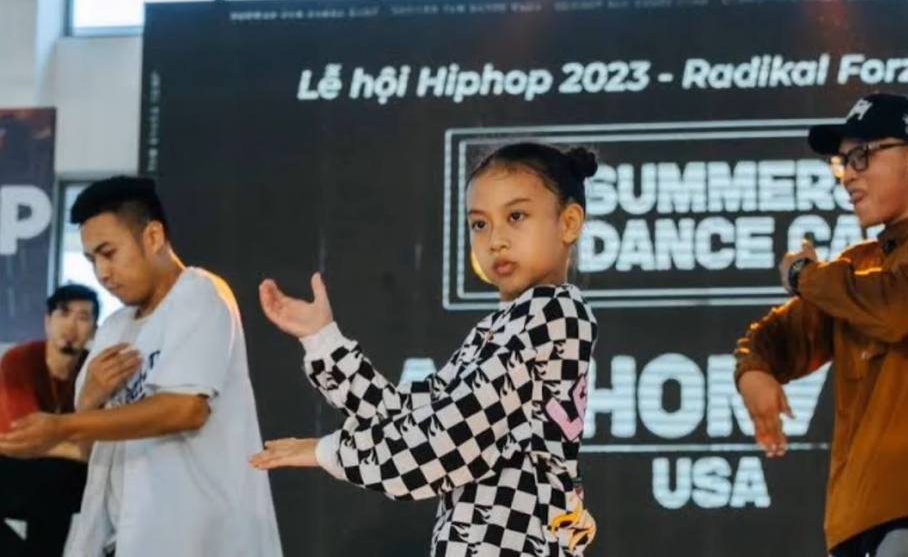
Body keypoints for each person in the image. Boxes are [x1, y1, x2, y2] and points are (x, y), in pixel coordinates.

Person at [250, 143, 601, 556]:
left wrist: (328, 451)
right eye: (479, 224)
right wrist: (323, 340)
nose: (496, 241)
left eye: (516, 216)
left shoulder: (554, 313)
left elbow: (444, 446)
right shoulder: (502, 327)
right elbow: (411, 416)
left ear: (569, 222)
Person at [733, 93, 908, 557]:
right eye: (841, 162)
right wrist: (752, 371)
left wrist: (805, 276)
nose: (848, 175)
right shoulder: (857, 268)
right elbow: (774, 338)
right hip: (861, 525)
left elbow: (901, 303)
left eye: (862, 155)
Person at [0, 176, 283, 557]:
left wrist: (62, 424)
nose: (101, 272)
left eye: (108, 253)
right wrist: (89, 399)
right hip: (125, 534)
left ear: (152, 237)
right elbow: (89, 446)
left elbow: (185, 409)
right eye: (91, 260)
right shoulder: (115, 326)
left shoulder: (198, 292)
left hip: (200, 536)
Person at [0, 284, 99, 557]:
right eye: (63, 314)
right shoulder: (19, 360)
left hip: (67, 480)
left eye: (83, 317)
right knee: (51, 481)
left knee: (54, 482)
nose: (71, 325)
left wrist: (76, 448)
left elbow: (99, 448)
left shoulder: (95, 371)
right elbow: (21, 438)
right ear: (48, 322)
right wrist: (77, 447)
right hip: (12, 468)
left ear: (93, 329)